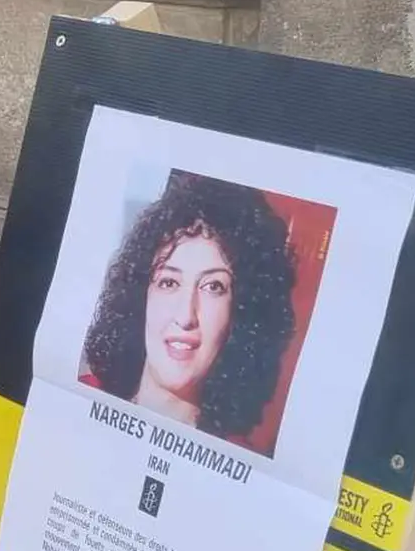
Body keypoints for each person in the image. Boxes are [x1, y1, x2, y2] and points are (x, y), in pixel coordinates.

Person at [80, 172, 297, 442]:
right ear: (140, 296)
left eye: (213, 287)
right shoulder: (80, 396)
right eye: (169, 282)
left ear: (240, 314)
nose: (185, 316)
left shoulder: (236, 461)